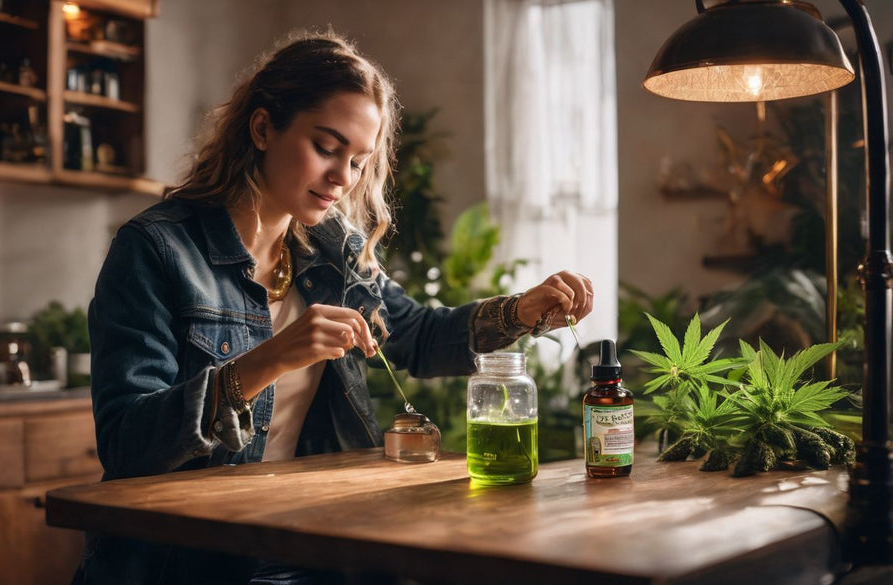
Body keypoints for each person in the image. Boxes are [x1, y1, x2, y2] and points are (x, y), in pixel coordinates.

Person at [78, 30, 594, 585]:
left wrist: (519, 311)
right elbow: (128, 443)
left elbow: (416, 336)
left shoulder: (333, 248)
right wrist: (269, 360)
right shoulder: (155, 248)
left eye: (357, 160)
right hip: (185, 561)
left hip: (312, 545)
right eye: (326, 148)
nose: (342, 179)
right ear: (261, 127)